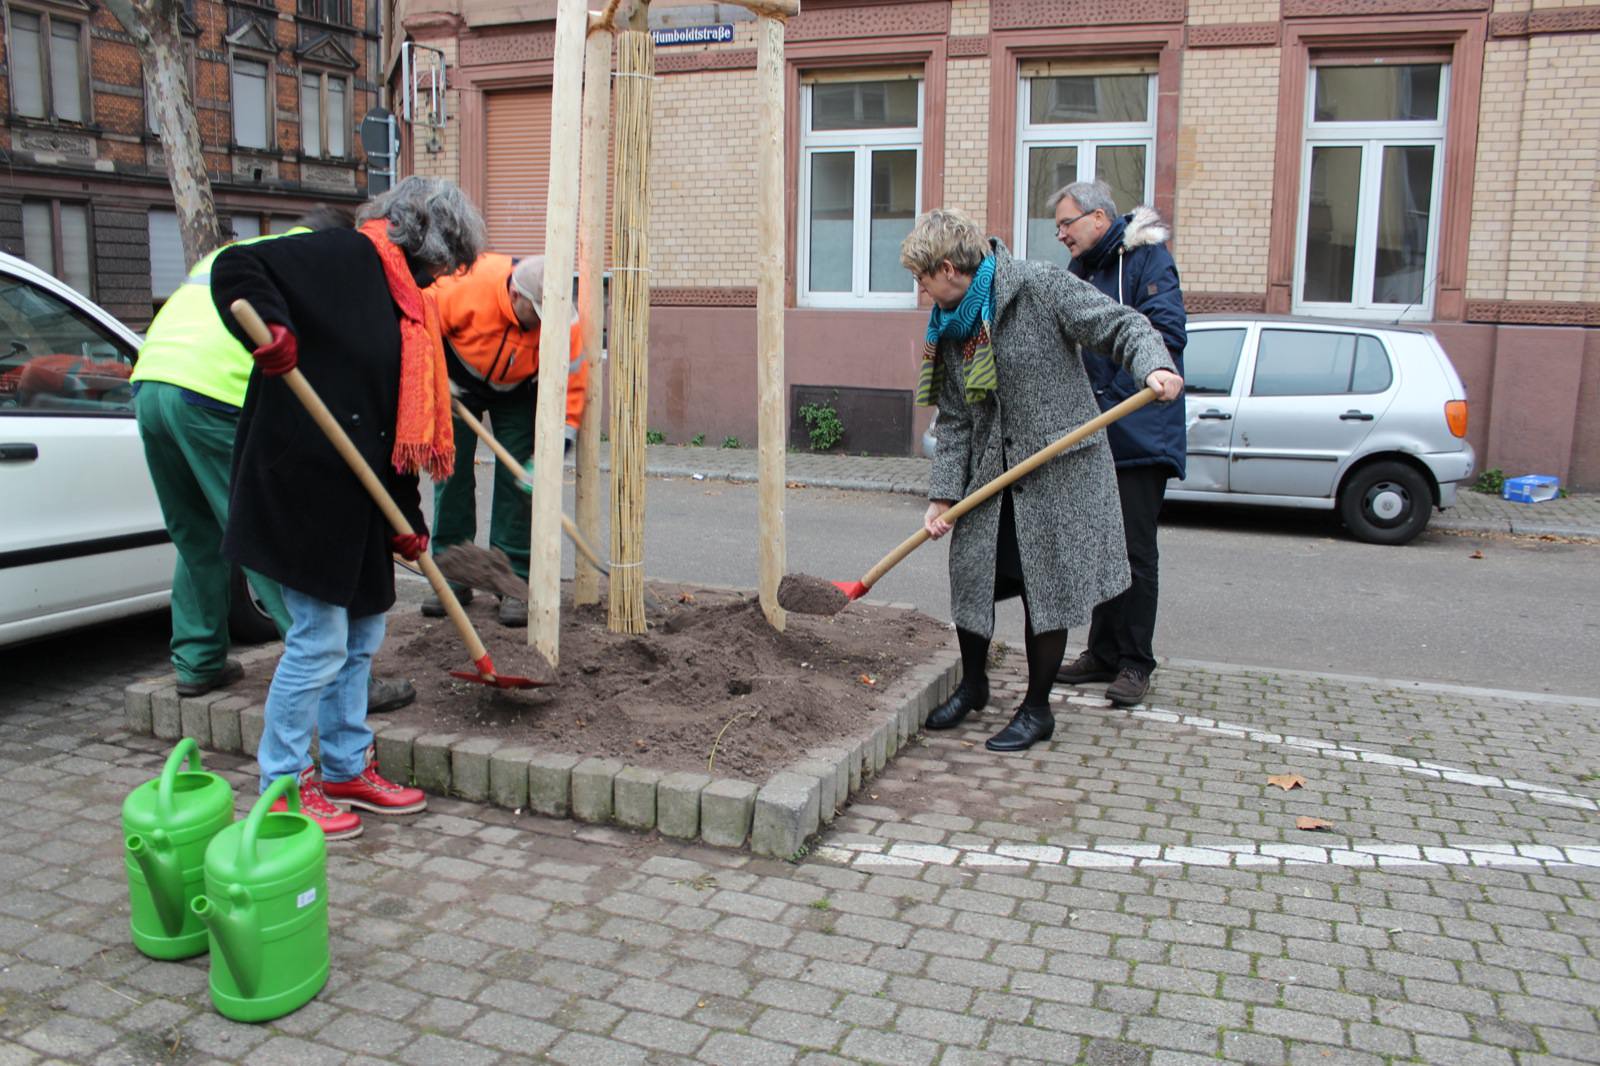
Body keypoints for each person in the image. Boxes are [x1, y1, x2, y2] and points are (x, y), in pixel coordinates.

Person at [210, 176, 486, 839]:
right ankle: (281, 785)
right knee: (321, 639)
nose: (443, 278)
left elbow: (386, 423)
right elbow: (235, 265)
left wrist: (408, 523)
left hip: (358, 493)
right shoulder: (340, 255)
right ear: (424, 240)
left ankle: (344, 765)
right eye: (446, 263)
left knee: (363, 633)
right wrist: (270, 327)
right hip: (301, 481)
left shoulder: (402, 305)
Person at [907, 208, 1182, 752]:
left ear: (947, 267)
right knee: (971, 577)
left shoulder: (1038, 286)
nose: (920, 291)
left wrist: (1152, 364)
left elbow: (1121, 325)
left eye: (922, 278)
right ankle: (975, 686)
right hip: (993, 472)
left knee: (1045, 588)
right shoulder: (952, 323)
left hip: (1058, 472)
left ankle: (1037, 710)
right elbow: (957, 417)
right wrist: (942, 496)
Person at [130, 207, 416, 715]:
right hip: (213, 394)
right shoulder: (320, 264)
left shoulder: (249, 252)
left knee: (196, 534)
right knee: (271, 541)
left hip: (153, 382)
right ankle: (332, 671)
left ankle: (197, 661)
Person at [1049, 181, 1187, 707]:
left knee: (1133, 551)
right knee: (1099, 548)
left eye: (1068, 223)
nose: (1061, 234)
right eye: (1058, 227)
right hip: (1094, 436)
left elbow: (1165, 336)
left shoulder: (1148, 261)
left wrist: (1114, 393)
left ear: (1100, 217)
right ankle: (1102, 653)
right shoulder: (1081, 271)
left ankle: (1134, 663)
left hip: (1139, 433)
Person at [427, 252, 588, 626]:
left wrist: (553, 452)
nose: (546, 326)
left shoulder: (564, 316)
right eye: (539, 316)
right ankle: (453, 573)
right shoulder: (467, 284)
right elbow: (420, 324)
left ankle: (511, 578)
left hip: (517, 389)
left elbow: (573, 387)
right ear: (516, 296)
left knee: (518, 481)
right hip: (458, 379)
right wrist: (435, 378)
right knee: (451, 475)